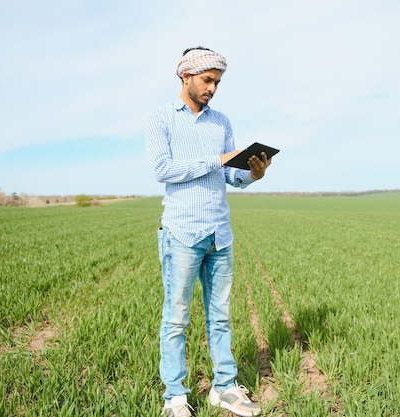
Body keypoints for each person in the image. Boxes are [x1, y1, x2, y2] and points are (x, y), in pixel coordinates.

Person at [145, 46, 270, 417]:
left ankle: (225, 388)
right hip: (181, 232)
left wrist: (252, 173)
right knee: (176, 317)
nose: (213, 88)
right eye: (208, 80)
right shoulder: (161, 118)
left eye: (218, 82)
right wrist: (216, 160)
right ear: (186, 76)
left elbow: (230, 174)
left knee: (220, 315)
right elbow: (163, 170)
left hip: (220, 233)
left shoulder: (222, 122)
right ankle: (175, 398)